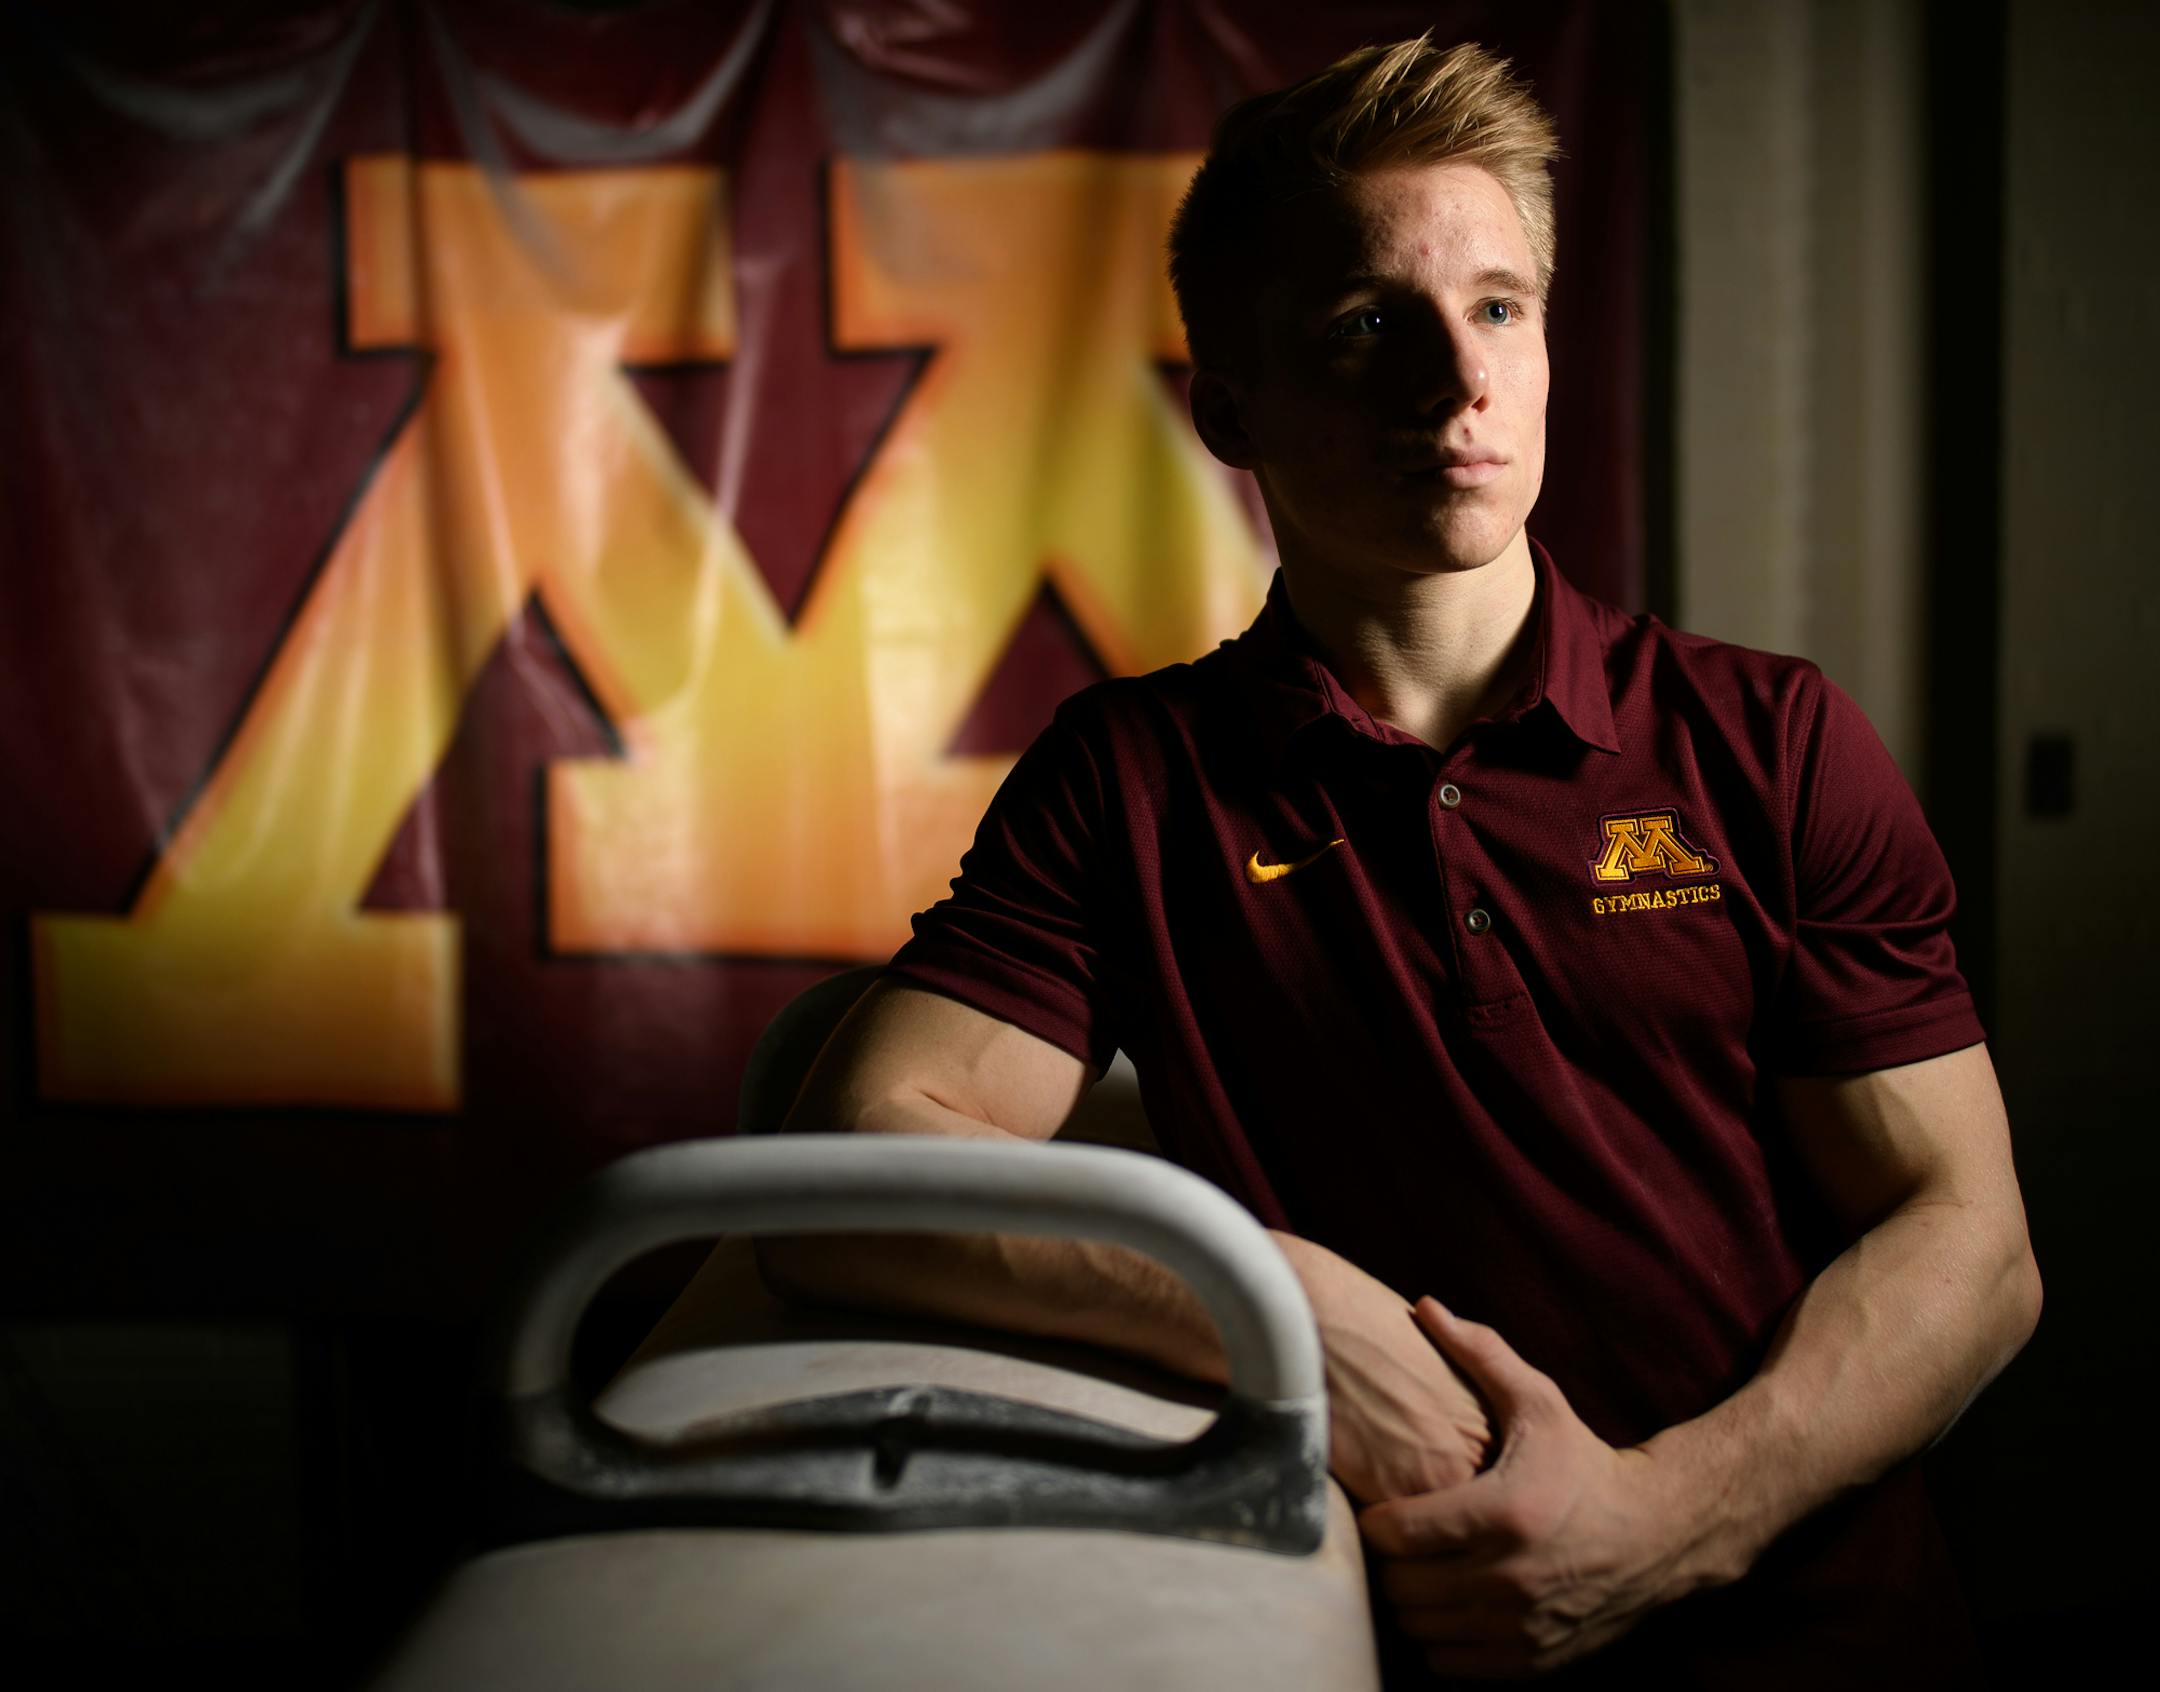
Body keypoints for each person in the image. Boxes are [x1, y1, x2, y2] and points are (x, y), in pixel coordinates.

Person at [760, 36, 2039, 1685]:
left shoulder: (1772, 738)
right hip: (1426, 1643)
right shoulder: (1134, 780)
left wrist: (1667, 1524)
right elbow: (856, 1163)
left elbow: (1974, 1245)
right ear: (1232, 406)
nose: (1460, 382)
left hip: (1829, 1637)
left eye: (1500, 308)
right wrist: (1266, 1297)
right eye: (1371, 327)